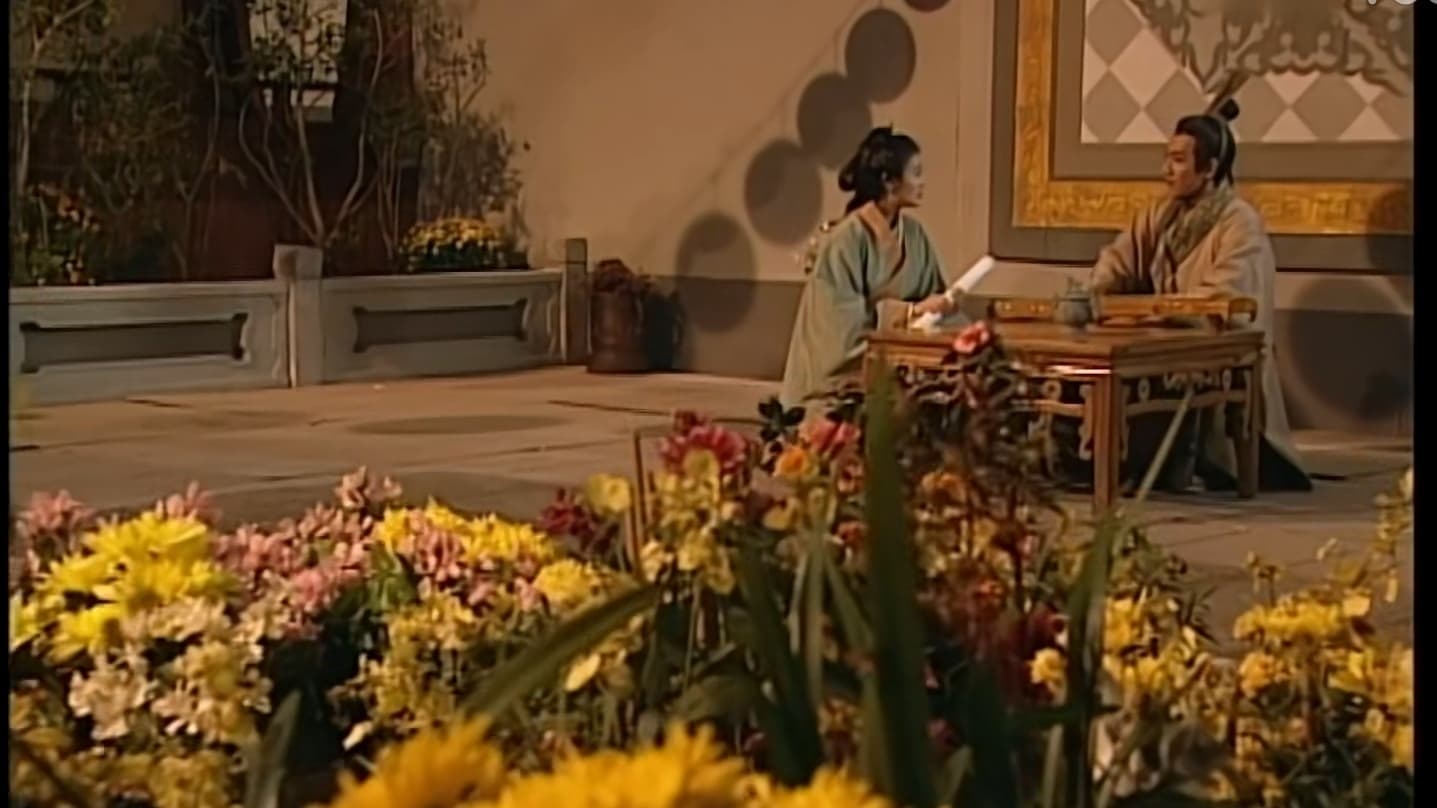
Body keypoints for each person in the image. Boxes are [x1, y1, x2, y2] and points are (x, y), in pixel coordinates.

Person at [1087, 99, 1311, 492]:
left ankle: (1179, 461)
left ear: (1209, 168)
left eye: (1178, 160)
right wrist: (1098, 292)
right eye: (1166, 158)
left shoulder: (1240, 223)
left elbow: (1228, 297)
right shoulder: (1161, 214)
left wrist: (1161, 313)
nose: (1165, 171)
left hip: (1214, 348)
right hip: (1163, 335)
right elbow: (1119, 259)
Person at [779, 127, 959, 409]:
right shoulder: (845, 241)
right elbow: (839, 331)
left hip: (900, 373)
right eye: (916, 173)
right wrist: (910, 313)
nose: (923, 182)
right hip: (841, 386)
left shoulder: (915, 235)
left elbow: (938, 302)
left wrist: (944, 313)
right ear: (889, 182)